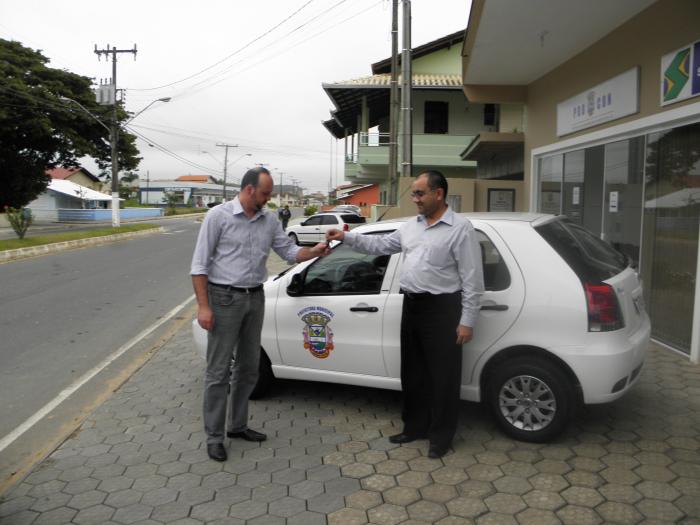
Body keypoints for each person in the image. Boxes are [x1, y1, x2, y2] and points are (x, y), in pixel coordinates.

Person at [326, 170, 484, 458]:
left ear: (439, 194)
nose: (415, 199)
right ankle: (414, 427)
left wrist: (467, 321)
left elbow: (473, 278)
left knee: (443, 377)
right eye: (413, 193)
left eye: (420, 193)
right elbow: (380, 245)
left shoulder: (461, 228)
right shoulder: (412, 226)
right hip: (412, 305)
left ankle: (441, 437)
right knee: (413, 373)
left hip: (443, 309)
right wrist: (346, 237)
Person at [191, 167, 330, 462]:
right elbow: (199, 265)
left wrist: (317, 250)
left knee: (248, 367)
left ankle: (238, 426)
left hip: (256, 296)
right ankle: (214, 437)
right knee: (218, 372)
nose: (269, 199)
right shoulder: (218, 216)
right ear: (249, 189)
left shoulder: (268, 220)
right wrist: (204, 306)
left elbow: (290, 253)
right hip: (224, 298)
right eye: (266, 193)